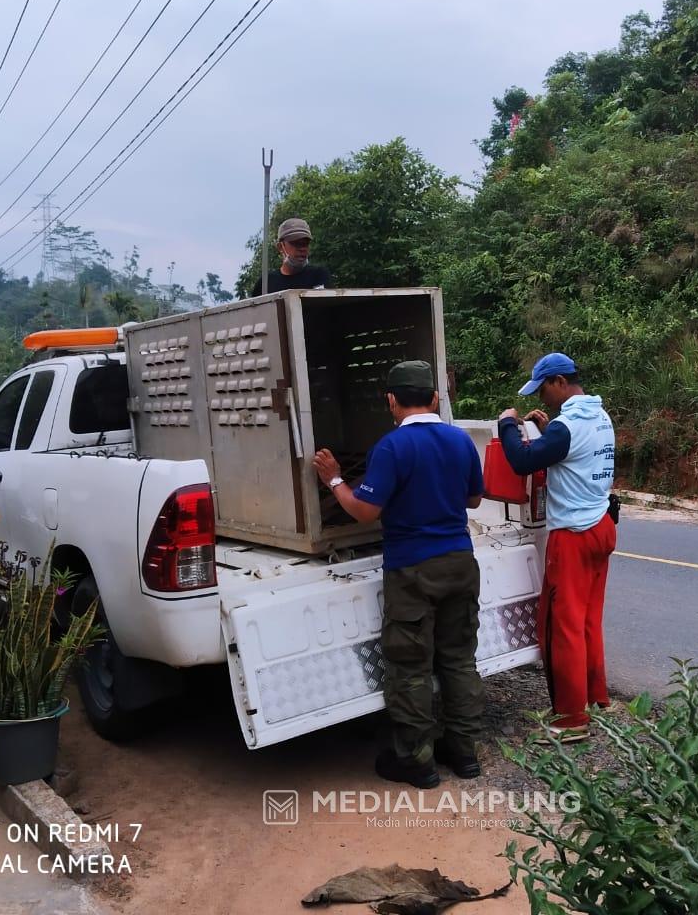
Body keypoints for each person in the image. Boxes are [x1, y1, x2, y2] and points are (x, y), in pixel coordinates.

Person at [312, 360, 485, 789]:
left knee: (410, 666)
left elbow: (366, 510)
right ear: (434, 398)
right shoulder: (460, 440)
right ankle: (464, 754)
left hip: (413, 569)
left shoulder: (391, 448)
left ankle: (417, 762)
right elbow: (475, 499)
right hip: (461, 562)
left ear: (391, 401)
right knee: (459, 659)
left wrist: (335, 480)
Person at [498, 353, 616, 743]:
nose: (545, 398)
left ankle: (570, 719)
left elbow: (521, 461)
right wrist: (549, 429)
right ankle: (597, 698)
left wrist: (508, 424)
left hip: (573, 537)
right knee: (588, 621)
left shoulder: (567, 426)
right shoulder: (600, 415)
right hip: (602, 525)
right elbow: (568, 452)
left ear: (560, 383)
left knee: (562, 627)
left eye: (545, 389)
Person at [251, 217, 333, 296]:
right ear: (280, 247)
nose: (302, 249)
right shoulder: (265, 283)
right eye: (296, 243)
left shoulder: (319, 275)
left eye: (305, 244)